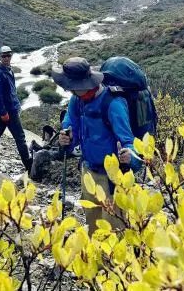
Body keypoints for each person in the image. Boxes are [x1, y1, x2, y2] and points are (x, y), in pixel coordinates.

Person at [53, 57, 142, 232]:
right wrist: (67, 140)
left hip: (112, 180)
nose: (67, 88)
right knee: (93, 228)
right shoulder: (76, 100)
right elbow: (72, 130)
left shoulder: (113, 103)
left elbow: (129, 142)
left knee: (113, 233)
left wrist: (129, 156)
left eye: (70, 85)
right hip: (88, 172)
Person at [0, 46, 33, 172]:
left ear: (11, 56)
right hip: (8, 110)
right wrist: (3, 112)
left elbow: (12, 90)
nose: (6, 58)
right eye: (4, 56)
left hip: (12, 107)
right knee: (20, 137)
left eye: (8, 55)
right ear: (0, 57)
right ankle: (29, 165)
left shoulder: (9, 70)